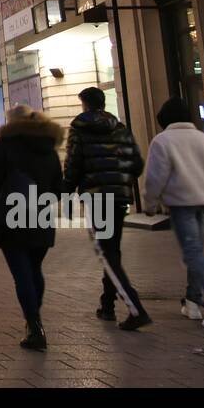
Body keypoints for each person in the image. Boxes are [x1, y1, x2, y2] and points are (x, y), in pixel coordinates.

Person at [143, 98, 204, 329]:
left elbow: (155, 177)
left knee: (193, 254)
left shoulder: (162, 141)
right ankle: (193, 300)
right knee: (196, 253)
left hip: (181, 203)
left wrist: (150, 203)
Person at [64, 86, 151, 331]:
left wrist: (66, 190)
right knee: (112, 250)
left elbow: (73, 164)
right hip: (119, 197)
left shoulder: (79, 129)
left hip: (96, 197)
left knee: (106, 252)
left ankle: (135, 307)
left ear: (85, 104)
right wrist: (122, 180)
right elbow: (136, 162)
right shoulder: (120, 128)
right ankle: (108, 304)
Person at [0, 105, 65, 351]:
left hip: (11, 216)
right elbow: (58, 187)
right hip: (41, 216)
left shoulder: (5, 146)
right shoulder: (48, 147)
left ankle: (34, 324)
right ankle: (33, 320)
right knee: (34, 269)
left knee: (22, 273)